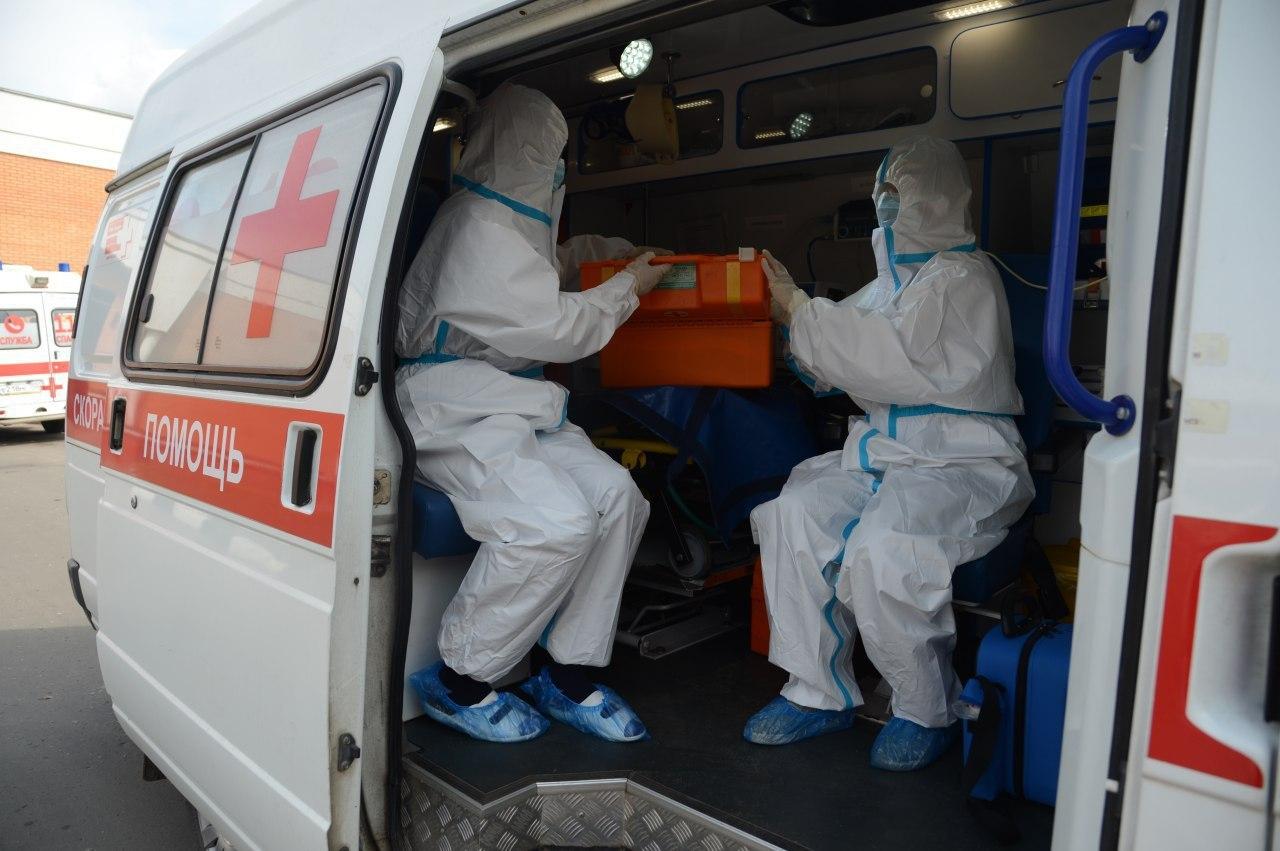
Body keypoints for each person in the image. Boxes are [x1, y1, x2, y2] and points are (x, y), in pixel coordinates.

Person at [744, 136, 1034, 771]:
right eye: (883, 192)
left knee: (884, 551)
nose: (886, 206)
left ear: (938, 197)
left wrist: (801, 310)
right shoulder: (888, 287)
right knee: (792, 515)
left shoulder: (964, 277)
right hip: (883, 456)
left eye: (899, 193)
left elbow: (890, 359)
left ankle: (925, 709)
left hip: (963, 462)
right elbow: (834, 358)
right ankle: (817, 693)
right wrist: (792, 323)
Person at [397, 83, 671, 743]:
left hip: (513, 400)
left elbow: (545, 267)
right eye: (551, 155)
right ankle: (460, 680)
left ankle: (566, 672)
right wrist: (628, 287)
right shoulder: (475, 226)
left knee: (618, 497)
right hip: (452, 403)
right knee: (555, 523)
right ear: (532, 152)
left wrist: (613, 255)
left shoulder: (508, 220)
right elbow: (557, 327)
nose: (557, 169)